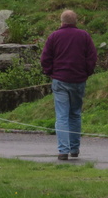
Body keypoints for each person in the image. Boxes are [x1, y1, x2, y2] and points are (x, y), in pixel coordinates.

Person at [41, 9, 98, 161]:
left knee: (62, 116)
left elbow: (45, 58)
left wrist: (50, 72)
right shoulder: (84, 36)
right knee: (75, 114)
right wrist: (87, 72)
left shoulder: (54, 36)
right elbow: (92, 56)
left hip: (60, 79)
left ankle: (63, 151)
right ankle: (74, 149)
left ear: (62, 21)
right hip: (78, 80)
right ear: (75, 21)